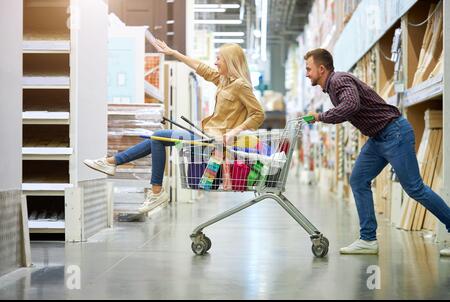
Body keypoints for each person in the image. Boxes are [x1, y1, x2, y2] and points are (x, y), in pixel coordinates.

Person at [84, 40, 265, 214]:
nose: (215, 62)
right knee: (157, 138)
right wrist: (174, 53)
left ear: (230, 61)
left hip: (214, 142)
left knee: (159, 136)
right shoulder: (223, 81)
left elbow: (258, 113)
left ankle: (143, 183)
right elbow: (201, 68)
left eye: (219, 59)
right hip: (206, 136)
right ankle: (114, 164)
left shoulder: (241, 86)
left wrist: (234, 131)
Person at [304, 48, 450, 257]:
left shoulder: (338, 80)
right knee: (358, 179)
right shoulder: (332, 86)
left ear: (321, 68)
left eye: (309, 69)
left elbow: (351, 105)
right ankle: (368, 239)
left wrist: (320, 117)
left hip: (394, 132)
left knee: (415, 188)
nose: (307, 73)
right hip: (378, 138)